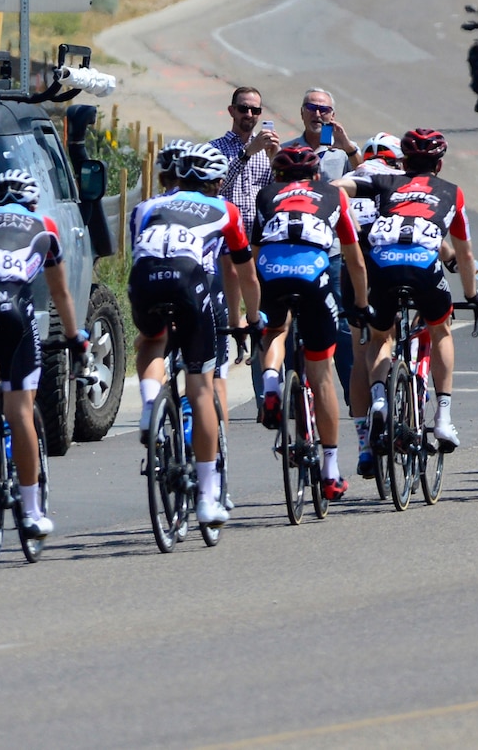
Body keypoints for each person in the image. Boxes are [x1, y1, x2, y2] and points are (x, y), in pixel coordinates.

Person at [0, 169, 85, 540]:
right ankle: (30, 511)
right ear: (32, 200)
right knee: (20, 408)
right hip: (10, 306)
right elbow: (60, 294)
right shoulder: (44, 225)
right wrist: (74, 337)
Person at [129, 142, 257, 527]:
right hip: (194, 288)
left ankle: (151, 405)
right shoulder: (224, 209)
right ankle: (206, 496)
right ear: (214, 182)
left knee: (150, 340)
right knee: (201, 387)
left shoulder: (144, 207)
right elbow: (243, 273)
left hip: (145, 281)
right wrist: (253, 319)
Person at [338, 128, 478, 454]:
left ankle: (379, 400)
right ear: (440, 166)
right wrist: (472, 296)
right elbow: (464, 255)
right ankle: (443, 419)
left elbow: (338, 187)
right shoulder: (451, 191)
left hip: (381, 263)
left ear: (404, 163)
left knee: (381, 338)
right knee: (441, 330)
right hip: (422, 265)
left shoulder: (386, 182)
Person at [254, 143, 366, 501]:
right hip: (313, 275)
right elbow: (354, 259)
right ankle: (331, 471)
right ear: (317, 175)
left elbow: (255, 252)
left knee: (275, 329)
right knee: (321, 373)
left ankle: (271, 387)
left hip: (271, 270)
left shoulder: (266, 195)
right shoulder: (333, 196)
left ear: (278, 176)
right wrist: (361, 304)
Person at [343, 133, 401, 478]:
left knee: (359, 349)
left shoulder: (350, 180)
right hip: (390, 259)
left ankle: (365, 446)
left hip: (353, 265)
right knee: (387, 339)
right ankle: (394, 390)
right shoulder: (400, 181)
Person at [211, 85, 281, 238]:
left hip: (260, 236)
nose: (249, 114)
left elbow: (279, 193)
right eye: (243, 109)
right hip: (225, 236)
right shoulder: (214, 149)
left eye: (255, 110)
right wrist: (247, 153)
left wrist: (276, 160)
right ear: (232, 111)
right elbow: (216, 187)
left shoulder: (267, 148)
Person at [297, 88, 358, 178]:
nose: (317, 114)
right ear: (302, 113)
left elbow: (364, 176)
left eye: (324, 109)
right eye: (311, 108)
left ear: (332, 116)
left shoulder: (346, 150)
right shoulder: (288, 150)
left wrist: (349, 149)